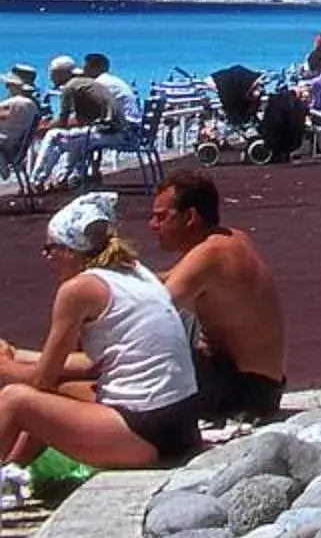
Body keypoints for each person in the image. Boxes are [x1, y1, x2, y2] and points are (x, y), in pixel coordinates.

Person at [0, 193, 202, 470]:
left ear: (70, 250)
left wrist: (4, 366)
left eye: (50, 249)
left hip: (145, 432)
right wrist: (19, 356)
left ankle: (10, 471)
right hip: (181, 426)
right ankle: (13, 469)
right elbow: (93, 363)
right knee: (63, 392)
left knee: (16, 400)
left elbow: (40, 382)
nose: (48, 258)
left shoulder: (79, 290)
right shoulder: (135, 271)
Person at [150, 169, 288, 423]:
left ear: (190, 216)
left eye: (161, 217)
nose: (153, 225)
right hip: (263, 386)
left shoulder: (209, 254)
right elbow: (168, 278)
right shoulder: (232, 239)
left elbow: (143, 311)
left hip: (240, 391)